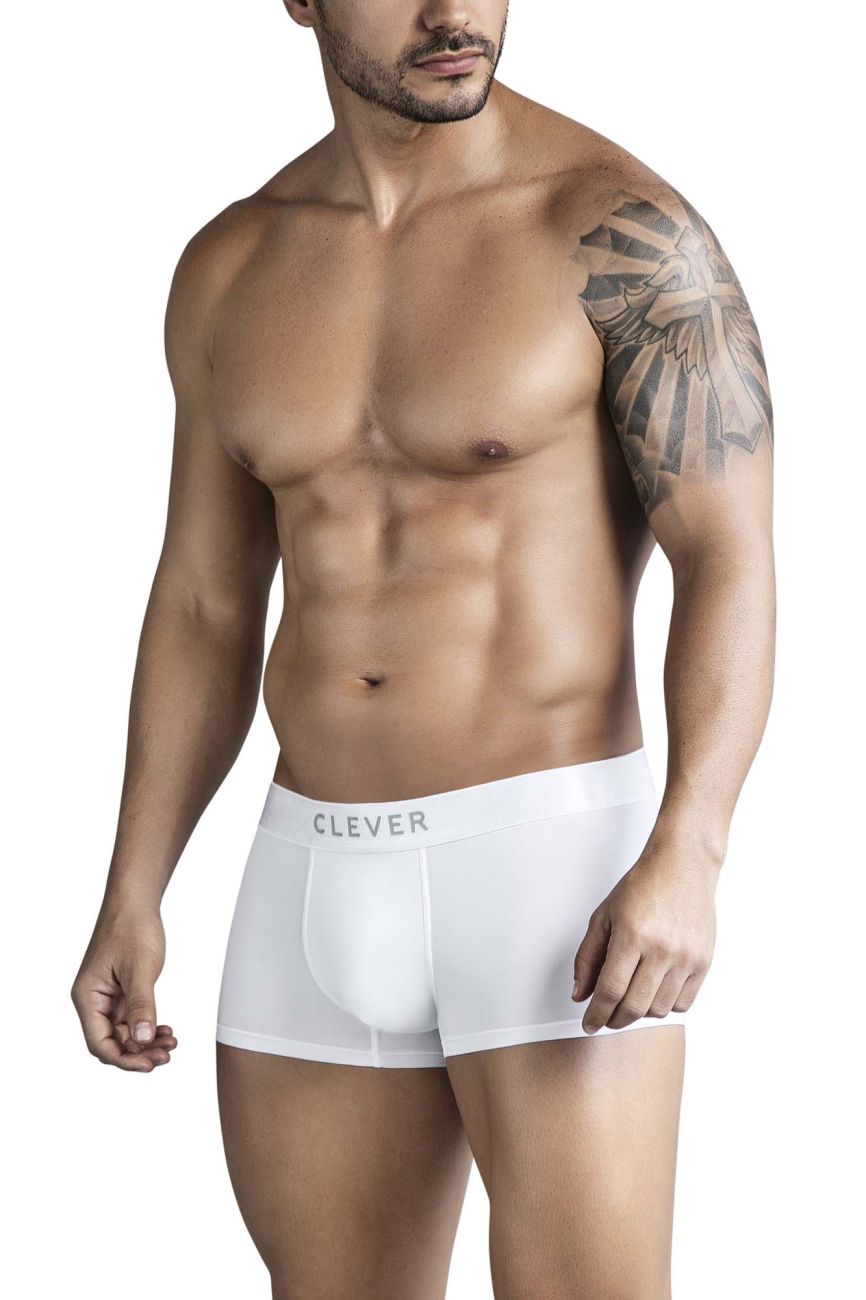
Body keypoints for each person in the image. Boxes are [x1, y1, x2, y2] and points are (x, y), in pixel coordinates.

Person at [71, 2, 775, 1296]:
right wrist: (135, 882)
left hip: (552, 877)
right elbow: (205, 602)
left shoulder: (617, 234)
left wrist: (691, 845)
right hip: (309, 877)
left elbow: (727, 557)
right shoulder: (234, 263)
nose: (455, 9)